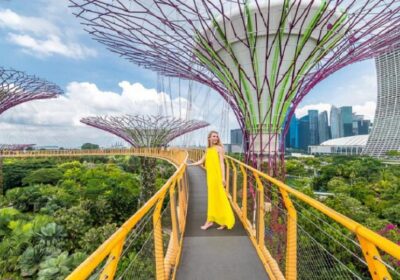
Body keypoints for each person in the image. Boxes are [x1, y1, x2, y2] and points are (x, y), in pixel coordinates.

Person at [187, 131, 235, 230]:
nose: (215, 138)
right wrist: (189, 165)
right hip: (210, 177)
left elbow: (222, 163)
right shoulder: (208, 149)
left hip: (217, 178)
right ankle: (222, 221)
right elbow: (201, 161)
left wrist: (223, 178)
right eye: (213, 136)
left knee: (219, 198)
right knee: (215, 199)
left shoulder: (219, 149)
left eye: (217, 136)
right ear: (209, 138)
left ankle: (210, 221)